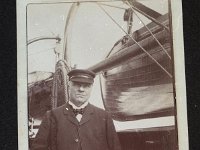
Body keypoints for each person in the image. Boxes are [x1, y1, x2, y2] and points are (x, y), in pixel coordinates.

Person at [32, 69, 122, 150]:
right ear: (69, 85)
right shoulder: (51, 116)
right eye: (77, 84)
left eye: (86, 85)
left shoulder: (104, 117)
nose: (81, 89)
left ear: (91, 88)